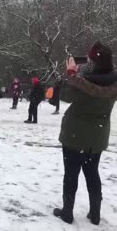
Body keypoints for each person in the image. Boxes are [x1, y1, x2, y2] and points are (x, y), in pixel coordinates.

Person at [53, 42, 117, 226]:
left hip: (75, 136)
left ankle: (67, 212)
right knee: (92, 173)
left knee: (71, 175)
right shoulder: (113, 82)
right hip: (96, 137)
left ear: (93, 62)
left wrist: (71, 75)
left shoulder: (81, 82)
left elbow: (65, 96)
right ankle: (95, 214)